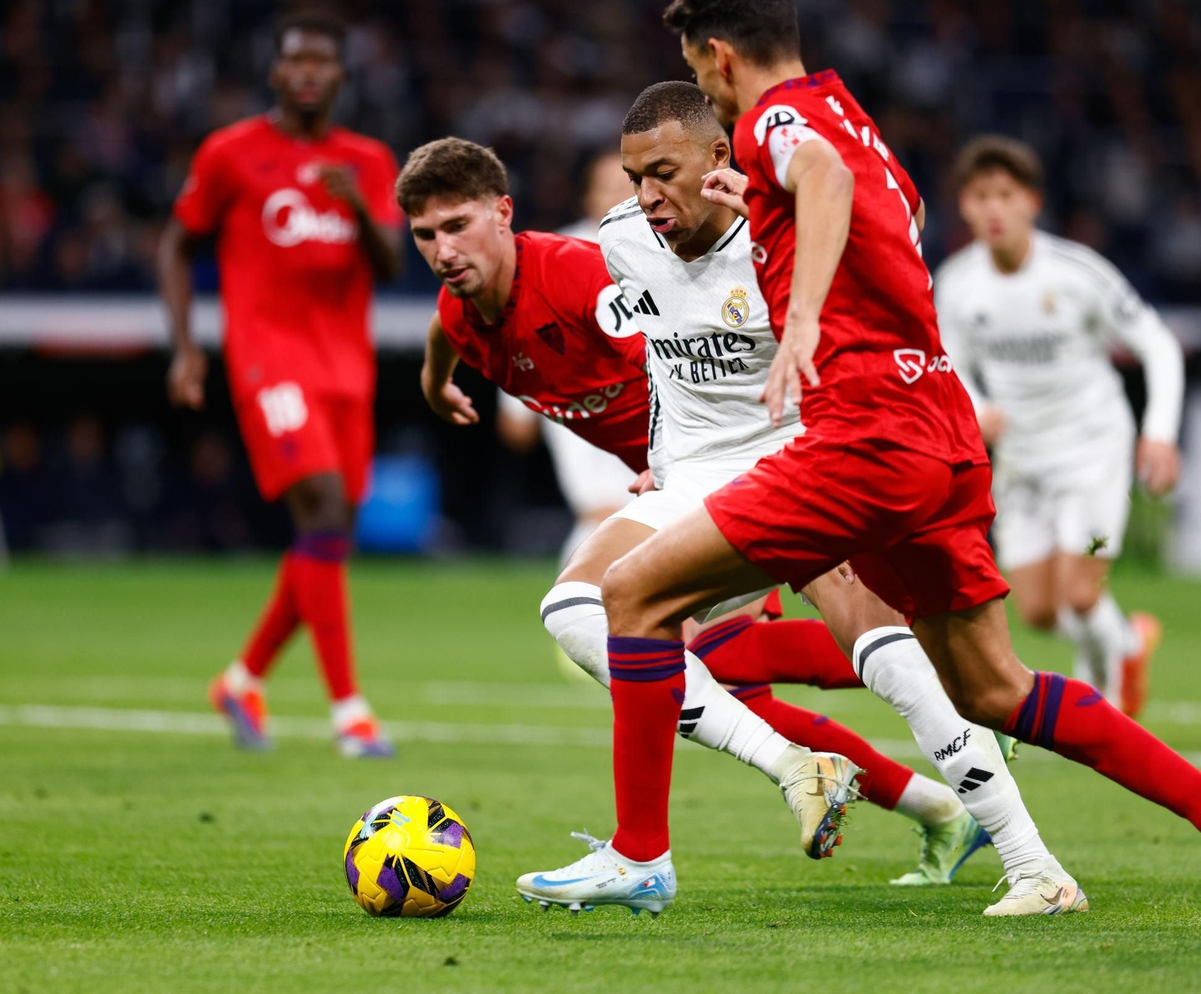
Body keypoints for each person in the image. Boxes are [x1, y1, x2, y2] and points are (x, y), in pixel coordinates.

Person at [516, 0, 1201, 935]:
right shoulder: (849, 114)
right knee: (990, 685)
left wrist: (799, 319)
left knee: (626, 595)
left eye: (699, 71)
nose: (708, 88)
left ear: (718, 57)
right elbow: (895, 212)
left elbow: (822, 180)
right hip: (939, 427)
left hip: (861, 436)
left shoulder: (778, 123)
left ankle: (641, 855)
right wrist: (769, 212)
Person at [519, 81, 1083, 908]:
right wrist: (650, 451)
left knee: (889, 656)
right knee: (574, 606)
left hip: (810, 459)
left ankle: (1029, 856)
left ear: (719, 159)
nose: (644, 197)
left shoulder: (781, 236)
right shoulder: (620, 242)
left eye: (661, 173)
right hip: (704, 479)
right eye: (632, 176)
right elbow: (637, 348)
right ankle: (792, 766)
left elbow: (895, 233)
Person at [405, 135, 963, 874]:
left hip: (736, 465)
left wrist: (665, 463)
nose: (443, 250)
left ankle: (959, 685)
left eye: (457, 226)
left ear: (504, 213)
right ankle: (939, 798)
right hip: (689, 483)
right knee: (730, 678)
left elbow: (678, 343)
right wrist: (434, 383)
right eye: (425, 235)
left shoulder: (578, 275)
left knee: (713, 654)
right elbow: (444, 329)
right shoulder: (460, 308)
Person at [159, 10, 403, 758]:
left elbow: (392, 264)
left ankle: (242, 678)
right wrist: (185, 347)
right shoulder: (232, 152)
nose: (307, 73)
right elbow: (176, 242)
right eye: (295, 60)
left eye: (321, 62)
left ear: (340, 75)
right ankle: (350, 712)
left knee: (327, 535)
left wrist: (355, 202)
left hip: (346, 366)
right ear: (275, 71)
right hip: (269, 360)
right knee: (324, 509)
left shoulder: (366, 160)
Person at [934, 136, 1183, 717]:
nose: (992, 209)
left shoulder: (1076, 271)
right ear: (964, 207)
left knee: (1078, 594)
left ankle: (1106, 708)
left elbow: (1158, 344)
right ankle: (1128, 643)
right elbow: (949, 361)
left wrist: (1161, 431)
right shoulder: (956, 282)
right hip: (1021, 457)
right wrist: (975, 405)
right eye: (978, 196)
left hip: (1092, 446)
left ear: (1031, 202)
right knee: (1040, 612)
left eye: (1004, 195)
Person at [495, 150, 639, 566]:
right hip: (595, 501)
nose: (619, 199)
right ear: (588, 197)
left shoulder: (679, 253)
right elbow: (520, 335)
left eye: (629, 186)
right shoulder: (552, 257)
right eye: (608, 188)